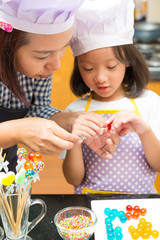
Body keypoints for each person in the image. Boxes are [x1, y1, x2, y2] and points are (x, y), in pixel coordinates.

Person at [0, 0, 119, 171]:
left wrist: (73, 121)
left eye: (63, 49)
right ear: (5, 45)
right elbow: (23, 126)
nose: (55, 65)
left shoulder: (37, 71)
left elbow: (37, 110)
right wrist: (17, 131)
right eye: (42, 56)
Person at [62, 0, 160, 194]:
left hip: (140, 208)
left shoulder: (150, 103)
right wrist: (74, 139)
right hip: (89, 205)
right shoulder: (74, 112)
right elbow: (73, 179)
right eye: (88, 68)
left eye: (111, 66)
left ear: (128, 62)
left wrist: (144, 131)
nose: (100, 77)